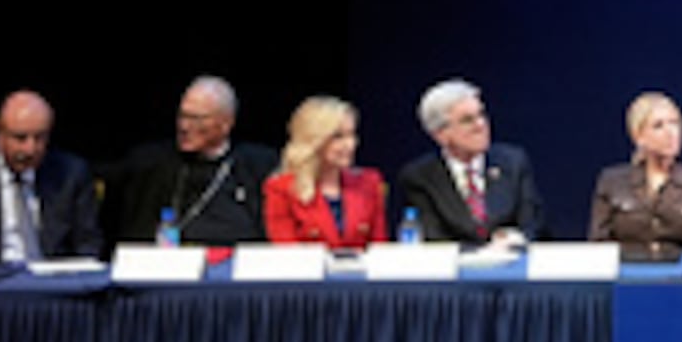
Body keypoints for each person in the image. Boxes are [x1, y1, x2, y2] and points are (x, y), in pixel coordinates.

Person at [105, 75, 279, 245]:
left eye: (196, 119)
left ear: (226, 123)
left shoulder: (258, 164)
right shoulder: (149, 163)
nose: (184, 126)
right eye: (182, 116)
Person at [0, 89, 104, 262]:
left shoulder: (71, 174)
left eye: (40, 138)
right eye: (20, 138)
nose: (30, 149)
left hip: (53, 282)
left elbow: (89, 245)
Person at [395, 78, 548, 245]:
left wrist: (516, 238)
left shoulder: (513, 162)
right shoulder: (419, 177)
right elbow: (432, 237)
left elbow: (533, 223)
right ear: (440, 134)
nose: (480, 125)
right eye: (467, 120)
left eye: (481, 114)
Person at [589, 91, 682, 275]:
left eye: (675, 123)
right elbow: (598, 249)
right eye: (658, 126)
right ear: (638, 136)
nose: (671, 133)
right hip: (626, 285)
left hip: (680, 291)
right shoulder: (612, 183)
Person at [262, 96, 390, 248]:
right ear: (314, 141)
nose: (350, 145)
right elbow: (288, 253)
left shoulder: (370, 182)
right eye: (338, 137)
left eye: (352, 135)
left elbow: (379, 249)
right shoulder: (281, 189)